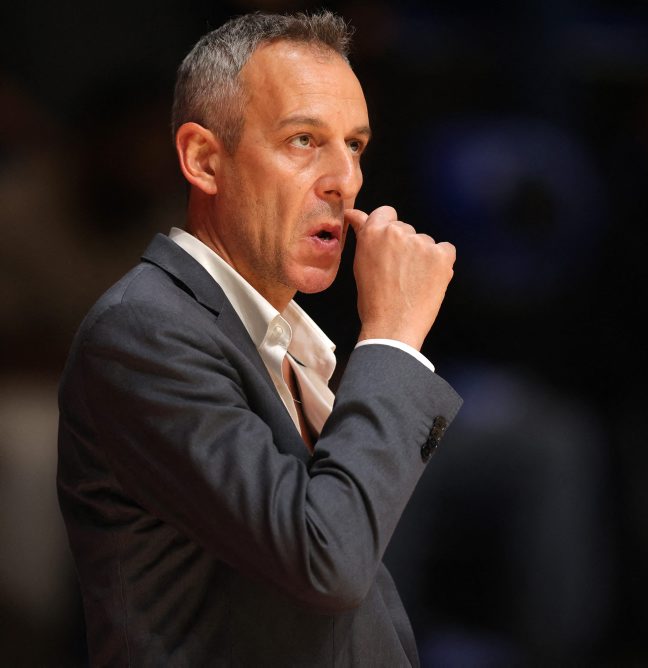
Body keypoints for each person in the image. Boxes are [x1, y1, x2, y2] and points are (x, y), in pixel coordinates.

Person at [56, 10, 461, 666]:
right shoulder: (144, 332)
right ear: (203, 159)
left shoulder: (279, 339)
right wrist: (392, 338)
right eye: (304, 140)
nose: (345, 180)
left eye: (355, 145)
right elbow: (327, 560)